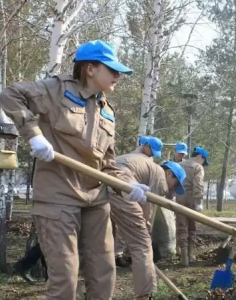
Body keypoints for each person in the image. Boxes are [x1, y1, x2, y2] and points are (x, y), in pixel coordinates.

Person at [0, 40, 150, 299]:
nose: (118, 76)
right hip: (57, 197)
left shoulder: (108, 111)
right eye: (112, 70)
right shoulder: (55, 90)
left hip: (95, 200)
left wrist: (128, 185)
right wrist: (34, 134)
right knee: (65, 279)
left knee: (104, 274)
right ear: (90, 69)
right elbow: (9, 94)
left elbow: (108, 165)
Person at [110, 153, 186, 299]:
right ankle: (145, 295)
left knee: (106, 242)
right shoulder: (160, 178)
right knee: (142, 244)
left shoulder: (145, 164)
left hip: (101, 179)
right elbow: (147, 211)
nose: (173, 189)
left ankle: (96, 293)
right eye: (175, 184)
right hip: (122, 182)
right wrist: (144, 231)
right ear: (169, 173)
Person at [114, 135, 163, 263]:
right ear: (145, 146)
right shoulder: (151, 166)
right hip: (124, 186)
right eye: (151, 151)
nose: (152, 155)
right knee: (134, 223)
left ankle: (117, 254)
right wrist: (145, 224)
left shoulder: (127, 157)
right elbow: (149, 202)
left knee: (114, 223)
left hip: (107, 182)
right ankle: (132, 256)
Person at [176, 146, 209, 266]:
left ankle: (184, 258)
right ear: (200, 157)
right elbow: (198, 185)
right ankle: (191, 255)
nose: (203, 163)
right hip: (191, 198)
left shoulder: (179, 165)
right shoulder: (197, 167)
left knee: (181, 226)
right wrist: (199, 202)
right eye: (203, 161)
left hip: (179, 197)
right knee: (192, 226)